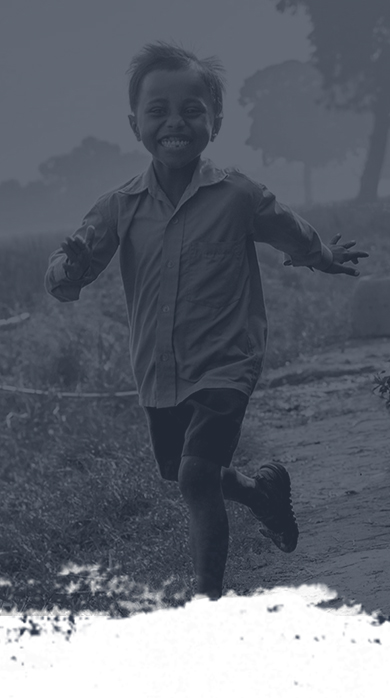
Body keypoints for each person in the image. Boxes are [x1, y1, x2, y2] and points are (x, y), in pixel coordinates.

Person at [45, 41, 369, 601]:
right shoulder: (118, 206)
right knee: (184, 472)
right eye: (158, 111)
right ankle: (263, 491)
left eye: (192, 109)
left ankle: (207, 605)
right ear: (134, 124)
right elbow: (74, 266)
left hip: (227, 362)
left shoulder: (238, 195)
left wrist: (322, 257)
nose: (176, 122)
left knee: (196, 476)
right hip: (159, 369)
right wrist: (65, 271)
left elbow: (291, 231)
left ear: (214, 121)